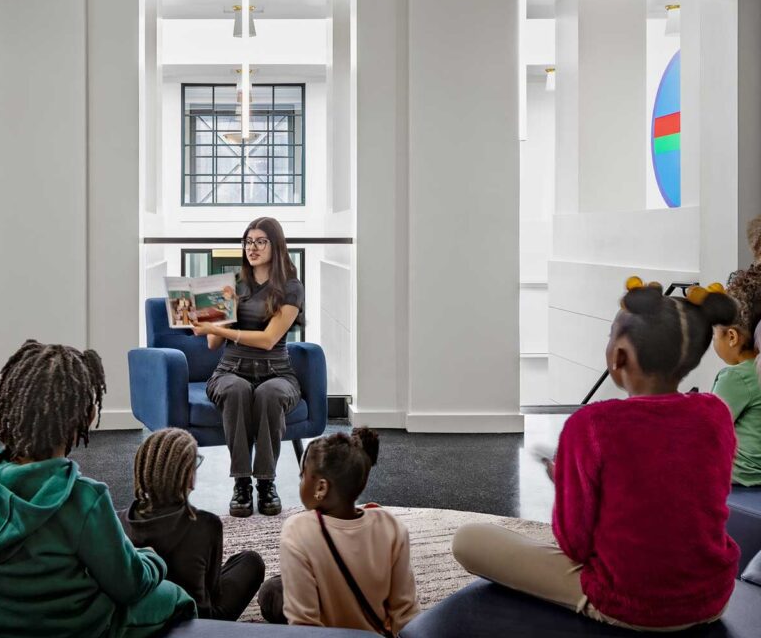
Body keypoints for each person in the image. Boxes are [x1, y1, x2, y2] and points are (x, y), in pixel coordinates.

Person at [452, 277, 741, 631]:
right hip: (712, 599)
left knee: (468, 539)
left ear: (619, 356)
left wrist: (566, 485)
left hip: (632, 605)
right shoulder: (714, 414)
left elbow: (574, 544)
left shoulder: (592, 425)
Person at [0, 340, 196, 638]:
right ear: (85, 417)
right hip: (76, 628)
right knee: (174, 596)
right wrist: (153, 559)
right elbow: (129, 585)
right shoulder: (83, 498)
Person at [192, 217, 305, 517]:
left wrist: (226, 331)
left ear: (275, 245)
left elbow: (269, 339)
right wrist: (206, 322)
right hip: (230, 370)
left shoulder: (291, 288)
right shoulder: (232, 287)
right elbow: (213, 346)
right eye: (248, 242)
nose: (252, 248)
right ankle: (241, 482)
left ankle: (266, 482)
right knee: (236, 389)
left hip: (277, 372)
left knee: (270, 394)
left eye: (260, 241)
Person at [257, 428, 418, 634]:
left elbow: (304, 626)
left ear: (321, 488)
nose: (300, 482)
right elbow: (405, 613)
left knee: (270, 592)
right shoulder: (391, 526)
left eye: (302, 476)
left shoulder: (297, 530)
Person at [120, 428, 265, 621]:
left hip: (140, 621)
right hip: (197, 624)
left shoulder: (118, 521)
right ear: (188, 477)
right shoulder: (206, 524)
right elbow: (213, 591)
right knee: (251, 561)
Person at [713, 265, 761, 486]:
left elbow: (707, 429)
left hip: (742, 477)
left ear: (731, 337)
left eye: (714, 334)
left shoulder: (735, 378)